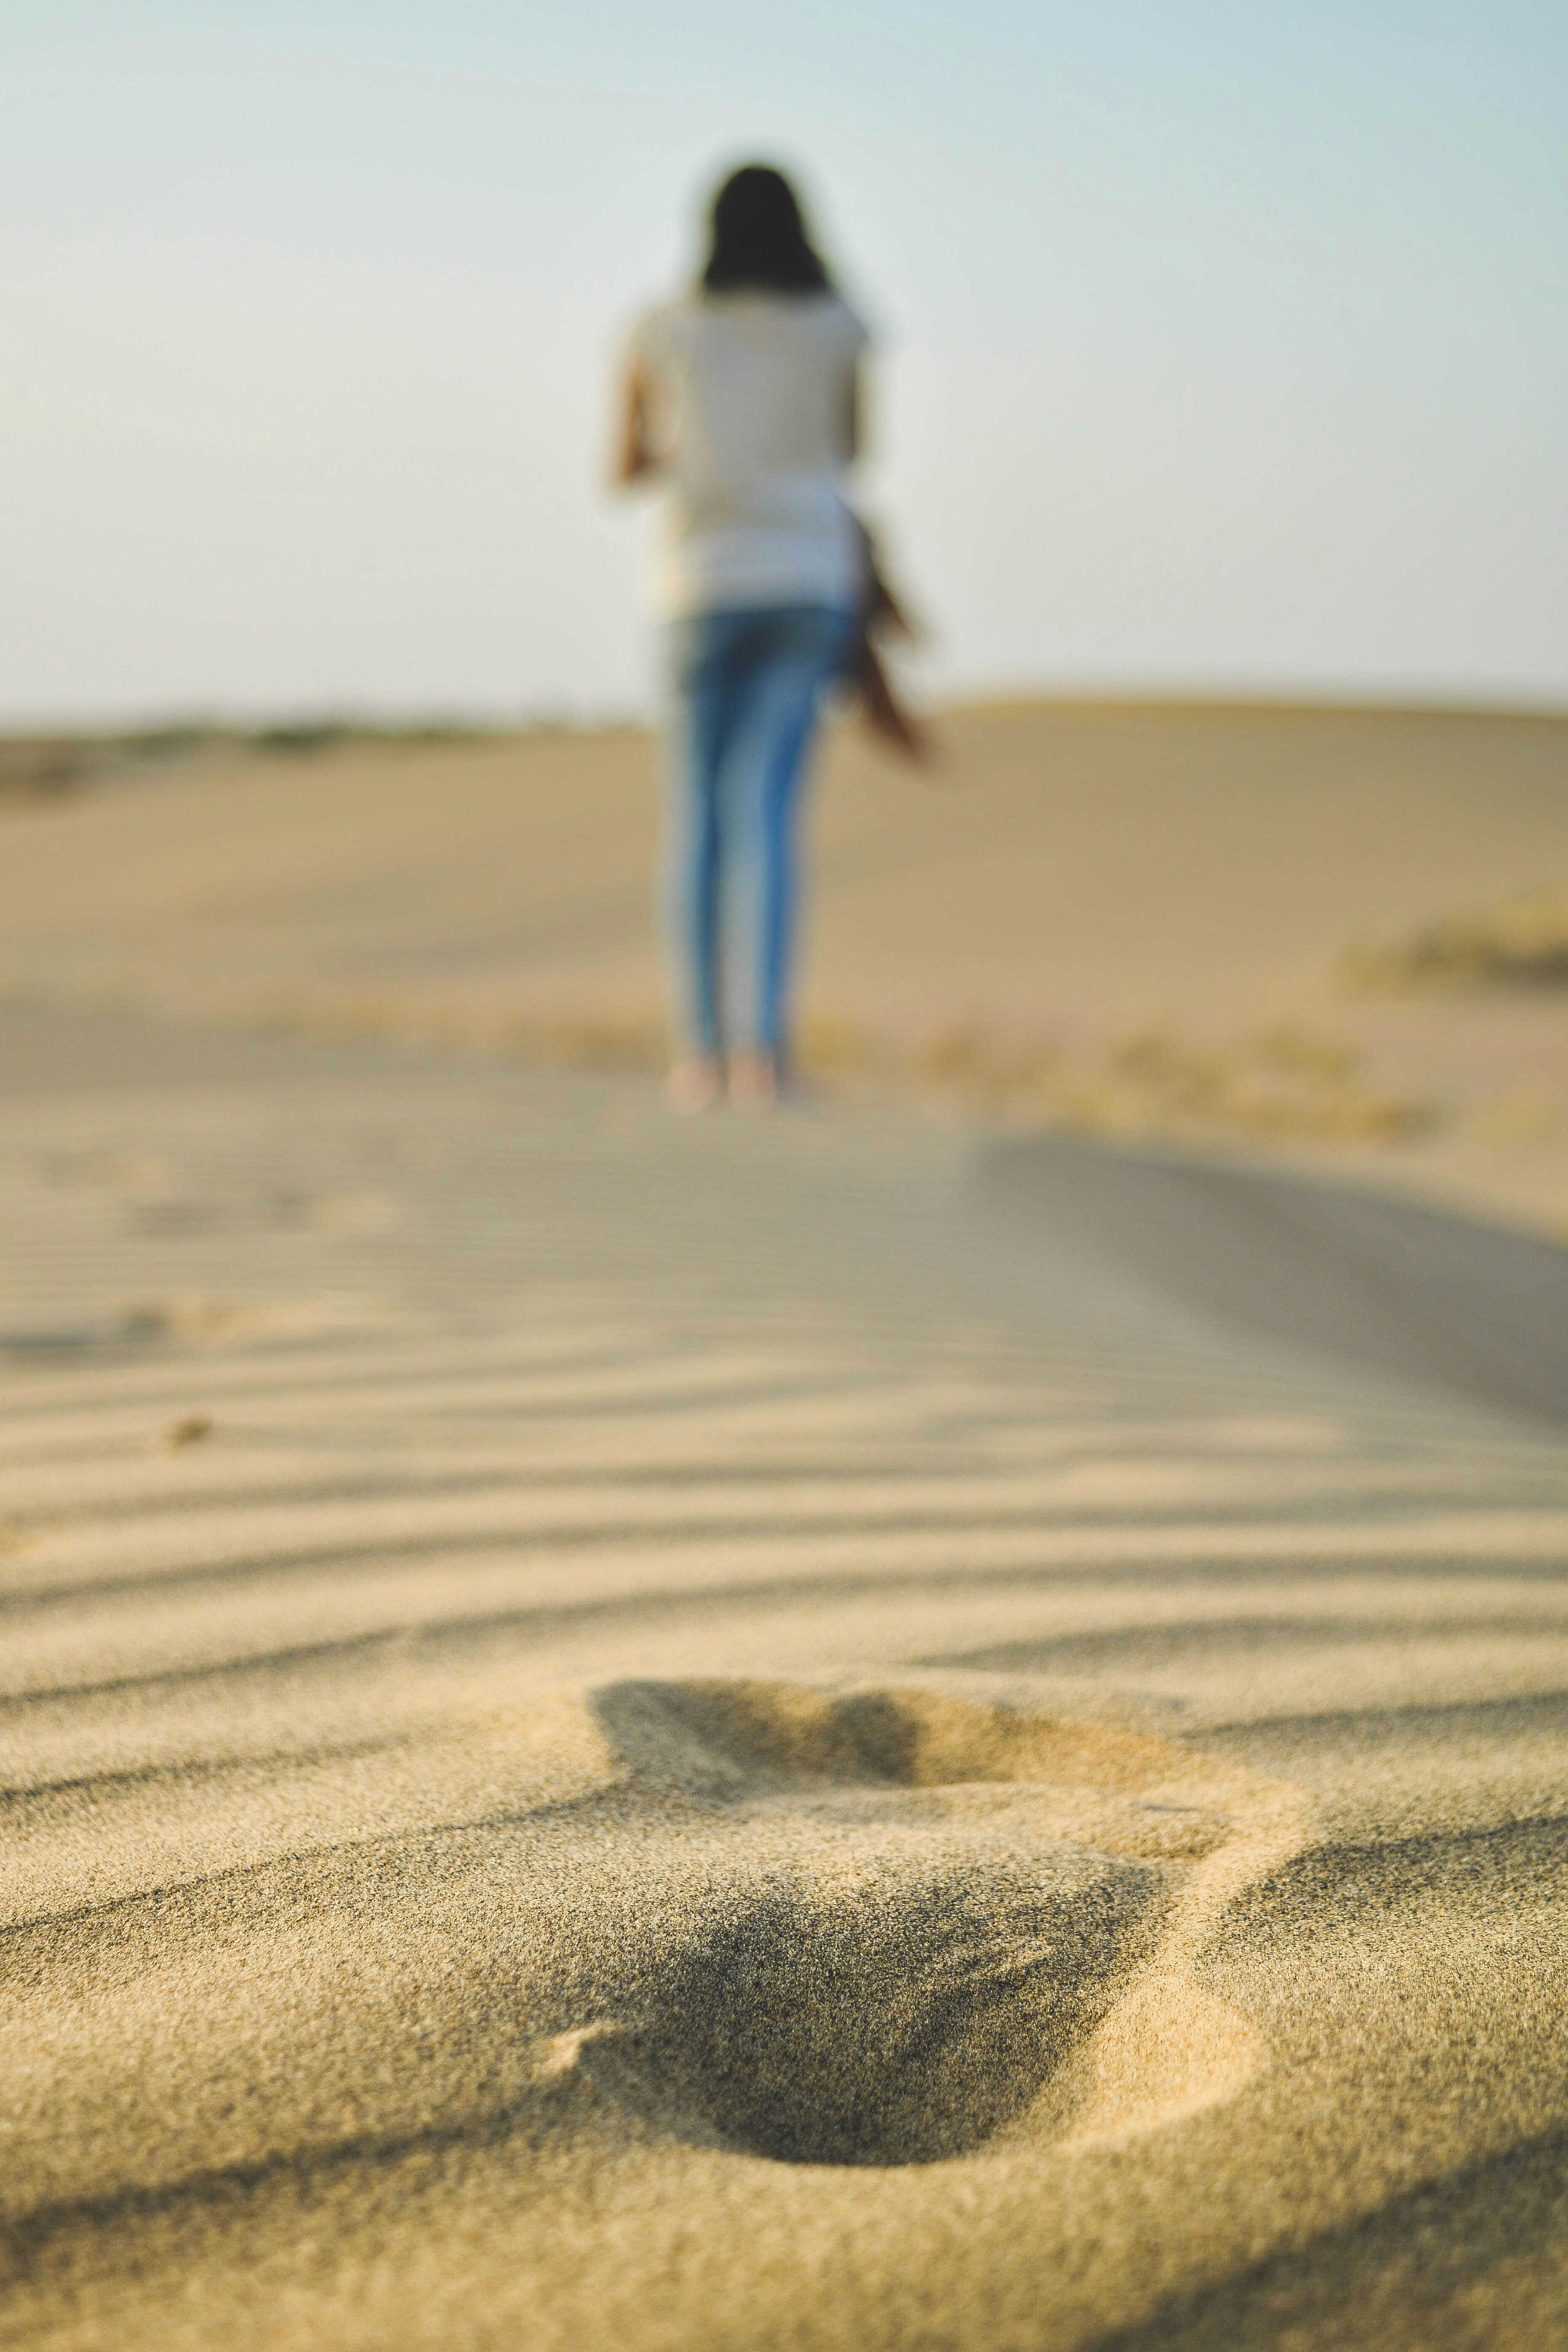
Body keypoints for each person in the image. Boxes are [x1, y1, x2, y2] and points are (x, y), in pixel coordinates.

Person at [612, 162, 912, 1111]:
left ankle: (699, 1059)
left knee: (697, 820)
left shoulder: (661, 328)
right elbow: (854, 451)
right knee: (767, 820)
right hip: (805, 576)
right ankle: (764, 1058)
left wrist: (697, 445)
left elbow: (623, 467)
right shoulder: (838, 326)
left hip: (697, 581)